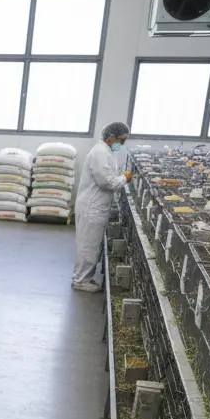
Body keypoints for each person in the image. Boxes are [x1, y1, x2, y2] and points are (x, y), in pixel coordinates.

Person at [72, 122, 134, 293]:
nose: (121, 145)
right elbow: (106, 182)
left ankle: (85, 276)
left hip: (96, 206)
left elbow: (108, 175)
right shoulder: (100, 153)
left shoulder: (106, 152)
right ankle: (80, 280)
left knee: (93, 244)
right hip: (92, 207)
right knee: (88, 245)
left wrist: (120, 175)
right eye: (121, 141)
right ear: (111, 137)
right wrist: (124, 178)